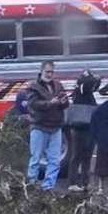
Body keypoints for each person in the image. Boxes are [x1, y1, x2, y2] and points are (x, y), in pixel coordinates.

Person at [24, 61, 68, 190]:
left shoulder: (58, 86)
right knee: (35, 159)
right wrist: (51, 103)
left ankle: (48, 187)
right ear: (41, 71)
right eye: (47, 72)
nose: (50, 74)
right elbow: (33, 104)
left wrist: (64, 102)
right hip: (39, 126)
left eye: (52, 72)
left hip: (55, 127)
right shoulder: (33, 87)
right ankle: (31, 186)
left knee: (54, 161)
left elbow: (65, 104)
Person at [65, 70, 101, 191]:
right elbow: (88, 82)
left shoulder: (83, 90)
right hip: (81, 127)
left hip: (86, 127)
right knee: (78, 156)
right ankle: (74, 182)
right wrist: (93, 76)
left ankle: (85, 183)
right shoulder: (82, 89)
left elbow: (95, 84)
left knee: (86, 156)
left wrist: (95, 78)